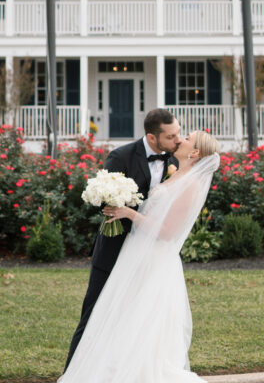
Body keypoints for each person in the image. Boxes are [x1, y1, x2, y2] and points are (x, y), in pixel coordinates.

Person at [0, 130, 235, 383]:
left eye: (187, 140)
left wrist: (130, 213)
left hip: (153, 266)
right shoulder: (178, 175)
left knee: (139, 327)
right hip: (137, 258)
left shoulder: (189, 185)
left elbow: (167, 232)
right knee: (120, 323)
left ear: (195, 155)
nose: (180, 142)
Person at [63, 107, 182, 369]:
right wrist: (115, 202)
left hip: (150, 254)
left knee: (140, 319)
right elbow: (101, 201)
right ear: (152, 138)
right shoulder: (121, 156)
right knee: (93, 313)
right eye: (171, 136)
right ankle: (70, 376)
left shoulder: (174, 160)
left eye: (178, 135)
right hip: (114, 249)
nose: (178, 141)